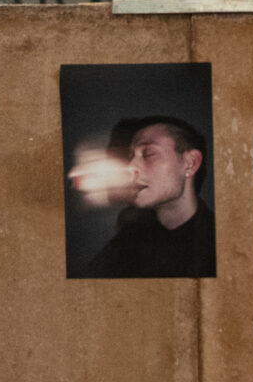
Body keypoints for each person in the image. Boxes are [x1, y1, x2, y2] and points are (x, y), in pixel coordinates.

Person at [83, 115, 217, 278]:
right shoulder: (129, 240)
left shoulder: (222, 245)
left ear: (190, 163)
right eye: (131, 156)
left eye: (149, 154)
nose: (130, 167)